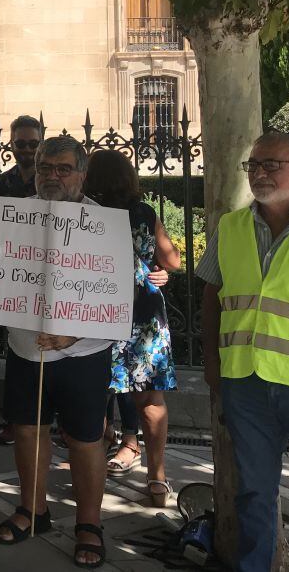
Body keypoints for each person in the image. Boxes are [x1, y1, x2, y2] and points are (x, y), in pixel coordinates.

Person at [196, 131, 289, 572]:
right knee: (254, 493)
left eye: (271, 164)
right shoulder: (232, 227)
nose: (259, 173)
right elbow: (211, 299)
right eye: (253, 165)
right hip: (246, 387)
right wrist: (214, 368)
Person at [0, 136, 112, 569]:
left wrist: (72, 336)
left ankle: (89, 523)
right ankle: (32, 510)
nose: (52, 176)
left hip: (84, 353)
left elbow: (116, 298)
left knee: (85, 439)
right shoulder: (15, 216)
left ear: (81, 174)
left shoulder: (104, 224)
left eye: (63, 168)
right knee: (27, 430)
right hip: (26, 348)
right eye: (45, 167)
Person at [84, 149, 180, 507]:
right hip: (143, 313)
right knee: (151, 399)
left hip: (95, 309)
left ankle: (89, 472)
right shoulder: (143, 212)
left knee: (92, 396)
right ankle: (157, 478)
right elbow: (172, 259)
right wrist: (158, 269)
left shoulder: (83, 212)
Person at [0, 115, 43, 447]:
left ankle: (55, 421)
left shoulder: (49, 181)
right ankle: (15, 419)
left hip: (50, 275)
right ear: (11, 144)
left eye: (32, 144)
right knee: (17, 350)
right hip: (14, 276)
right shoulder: (2, 183)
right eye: (20, 144)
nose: (25, 150)